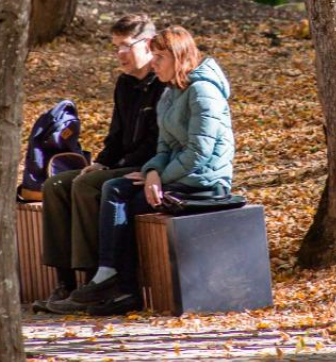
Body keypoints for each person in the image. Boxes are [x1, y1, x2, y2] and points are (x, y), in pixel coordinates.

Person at [62, 26, 235, 315]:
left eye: (160, 57)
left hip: (205, 181)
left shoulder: (203, 92)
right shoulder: (169, 94)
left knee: (130, 199)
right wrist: (153, 171)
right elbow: (164, 146)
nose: (154, 63)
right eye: (153, 56)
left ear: (178, 57)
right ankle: (113, 278)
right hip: (175, 177)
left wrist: (158, 178)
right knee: (115, 187)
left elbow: (200, 153)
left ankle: (123, 286)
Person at [36, 14, 165, 313]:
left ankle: (95, 279)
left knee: (87, 185)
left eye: (125, 45)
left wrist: (114, 167)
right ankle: (64, 282)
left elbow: (157, 141)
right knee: (55, 185)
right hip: (122, 162)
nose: (119, 54)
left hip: (148, 166)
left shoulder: (162, 83)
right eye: (115, 46)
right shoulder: (124, 84)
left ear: (147, 45)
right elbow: (116, 134)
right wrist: (103, 161)